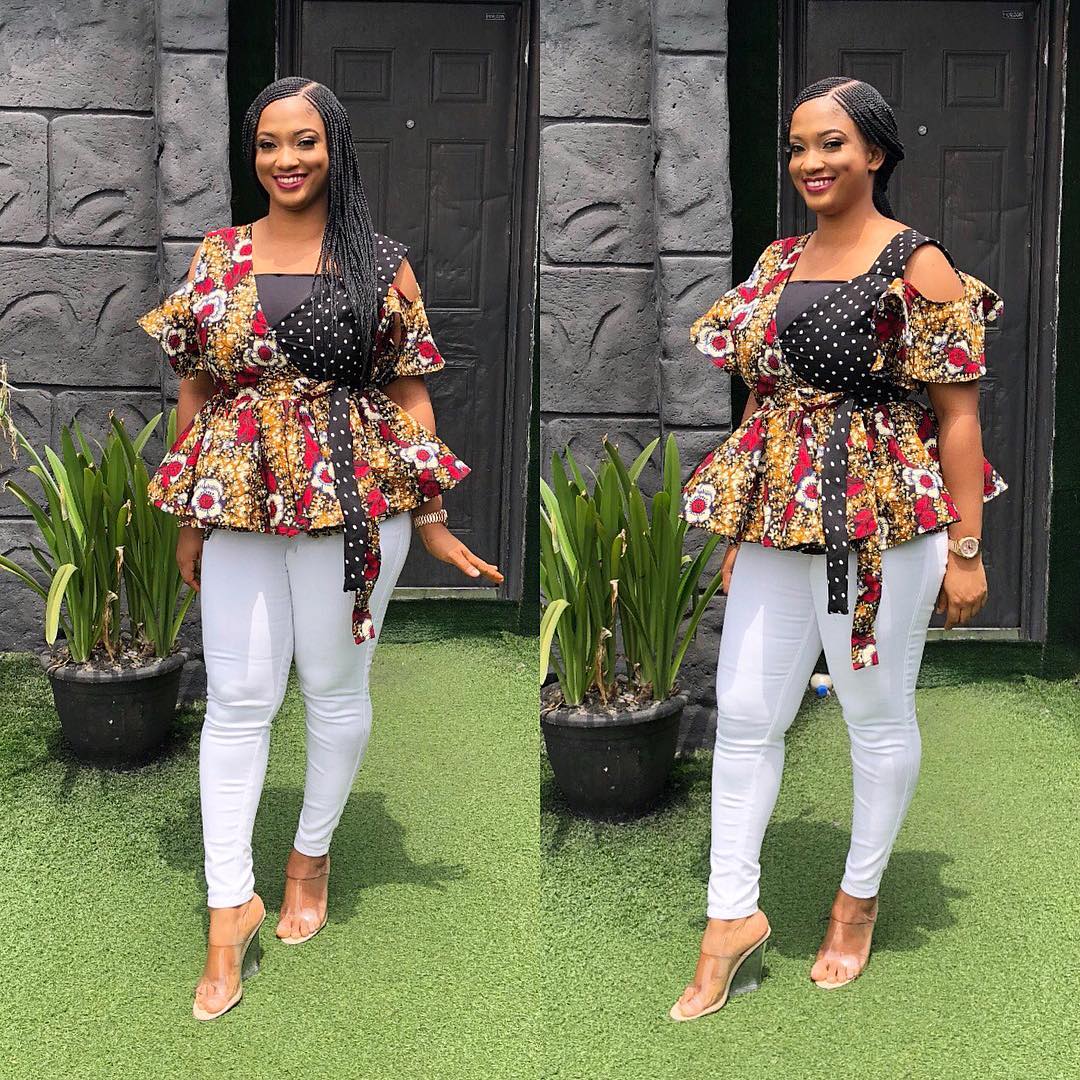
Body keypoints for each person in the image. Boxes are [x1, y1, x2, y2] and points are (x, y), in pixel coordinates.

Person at [137, 77, 503, 1022]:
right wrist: (187, 517)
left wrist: (432, 518)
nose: (285, 160)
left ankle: (310, 853)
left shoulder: (381, 263)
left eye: (304, 141)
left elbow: (411, 392)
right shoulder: (217, 256)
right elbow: (196, 390)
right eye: (268, 143)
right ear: (252, 153)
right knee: (237, 700)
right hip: (238, 498)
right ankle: (229, 908)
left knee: (335, 689)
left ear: (334, 148)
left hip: (356, 500)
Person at [669, 77, 1006, 1021]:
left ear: (876, 154)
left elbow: (958, 418)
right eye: (797, 146)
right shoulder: (779, 260)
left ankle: (856, 902)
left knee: (874, 715)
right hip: (781, 514)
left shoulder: (918, 264)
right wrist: (743, 528)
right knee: (744, 714)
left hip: (884, 517)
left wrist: (968, 549)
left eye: (831, 145)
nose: (810, 163)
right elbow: (764, 396)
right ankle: (730, 917)